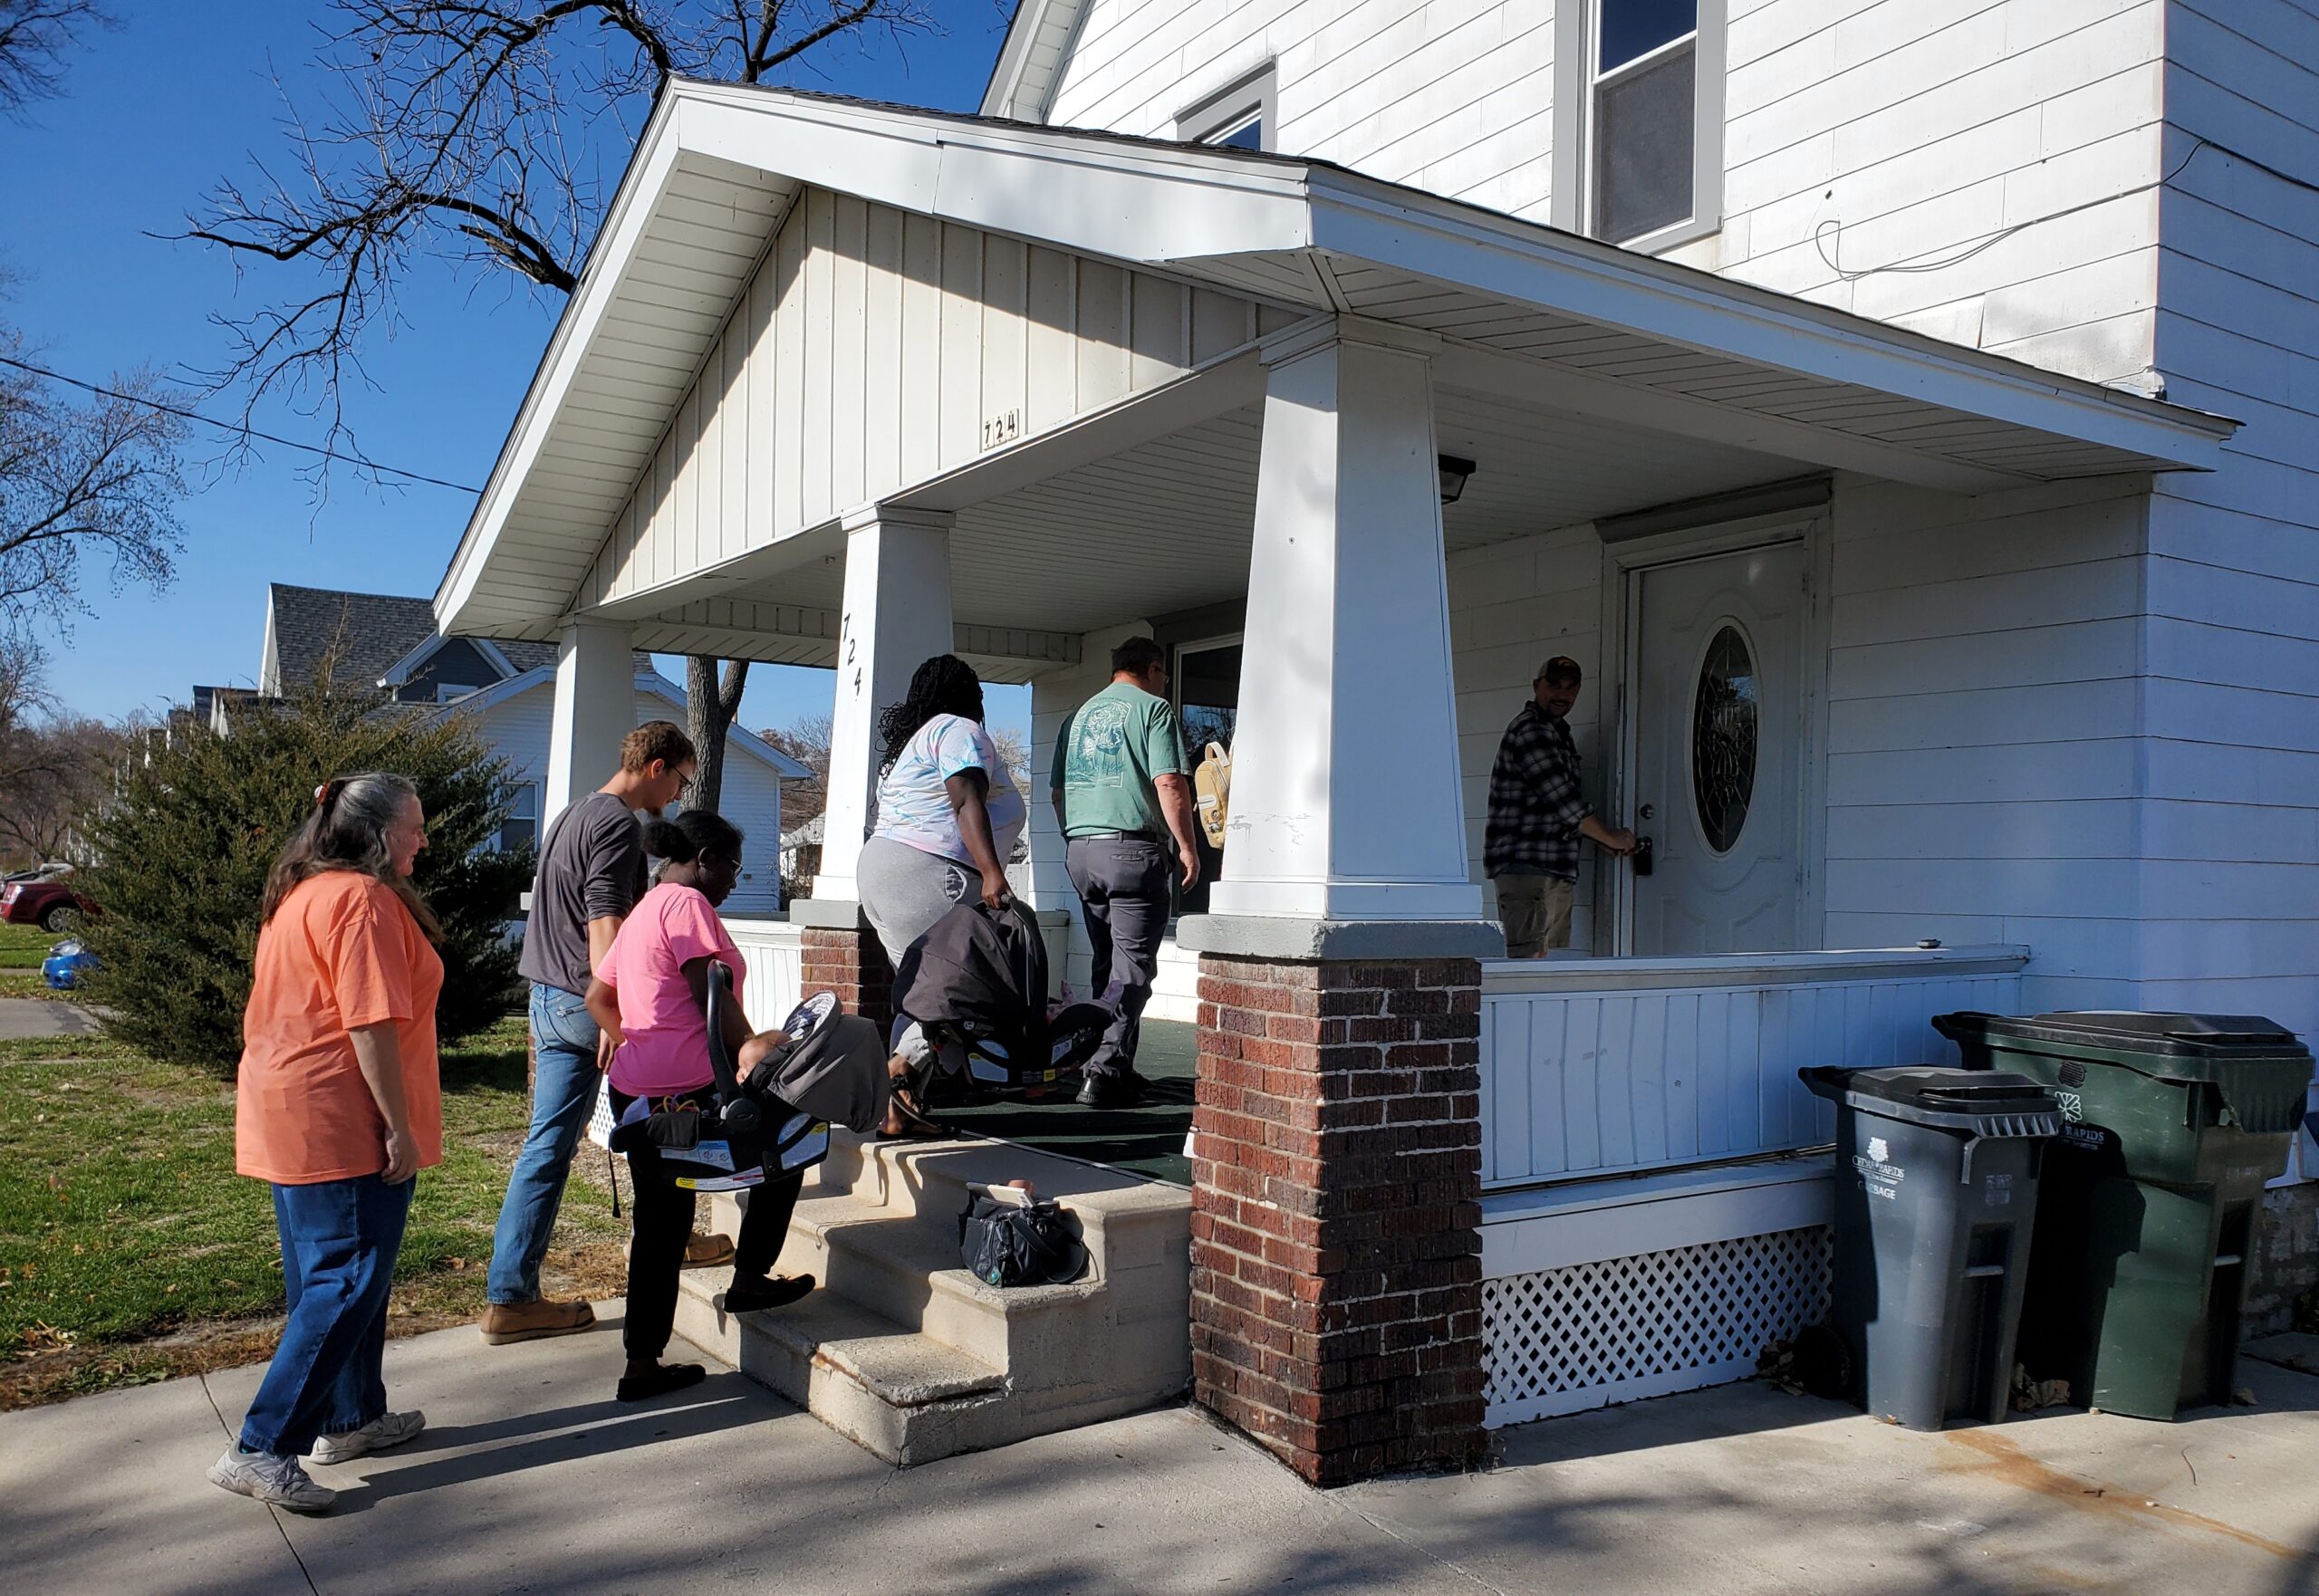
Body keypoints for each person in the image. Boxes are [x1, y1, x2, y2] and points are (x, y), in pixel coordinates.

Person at [207, 774, 442, 1515]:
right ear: (376, 834)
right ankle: (261, 1446)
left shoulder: (302, 894)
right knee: (347, 1280)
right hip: (340, 1113)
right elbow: (369, 1021)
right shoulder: (360, 899)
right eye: (414, 827)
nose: (423, 839)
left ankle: (351, 1418)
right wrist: (397, 1126)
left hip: (293, 1106)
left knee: (335, 1277)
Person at [482, 720, 702, 1345]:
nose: (678, 797)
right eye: (680, 780)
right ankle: (670, 1239)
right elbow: (603, 920)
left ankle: (509, 1295)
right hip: (588, 1004)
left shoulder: (576, 812)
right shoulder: (615, 825)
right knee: (667, 1117)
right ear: (657, 767)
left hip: (547, 998)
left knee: (546, 1148)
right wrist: (619, 1011)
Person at [586, 811, 814, 1401]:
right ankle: (749, 1279)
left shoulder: (644, 908)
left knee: (659, 1225)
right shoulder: (687, 904)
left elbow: (597, 996)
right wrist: (749, 1046)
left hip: (637, 1092)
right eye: (732, 868)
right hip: (687, 1094)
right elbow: (706, 985)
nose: (734, 881)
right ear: (706, 858)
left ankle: (642, 1362)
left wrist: (636, 1041)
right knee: (793, 1138)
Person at [855, 654, 1027, 1137]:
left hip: (888, 869)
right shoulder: (958, 730)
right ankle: (896, 1078)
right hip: (931, 871)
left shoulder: (924, 736)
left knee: (923, 992)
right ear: (968, 694)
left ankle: (899, 1108)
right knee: (955, 989)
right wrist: (993, 873)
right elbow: (965, 799)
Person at [1051, 637, 1200, 1109]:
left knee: (1106, 967)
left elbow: (1058, 793)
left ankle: (1113, 1062)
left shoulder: (1076, 718)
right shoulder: (1154, 711)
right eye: (1164, 675)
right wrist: (1187, 847)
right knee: (1132, 972)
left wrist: (1079, 838)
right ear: (1153, 669)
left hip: (1082, 851)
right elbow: (1169, 781)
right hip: (1134, 852)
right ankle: (1104, 1070)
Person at [1485, 656, 1635, 957]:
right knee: (1527, 963)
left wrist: (1601, 838)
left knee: (1542, 962)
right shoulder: (1531, 730)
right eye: (1554, 685)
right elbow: (1562, 800)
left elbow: (1556, 810)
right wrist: (1610, 837)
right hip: (1527, 866)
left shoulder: (1558, 733)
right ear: (1536, 686)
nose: (1562, 695)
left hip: (1552, 866)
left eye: (1570, 688)